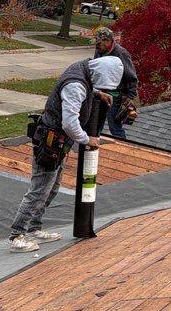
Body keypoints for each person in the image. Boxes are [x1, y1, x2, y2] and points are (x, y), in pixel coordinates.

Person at [9, 55, 123, 253]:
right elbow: (69, 123)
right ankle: (17, 236)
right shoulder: (75, 85)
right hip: (50, 143)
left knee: (52, 188)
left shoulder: (83, 69)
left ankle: (34, 228)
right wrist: (87, 139)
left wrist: (97, 93)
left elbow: (85, 86)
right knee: (39, 190)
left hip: (57, 143)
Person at [93, 26, 139, 140]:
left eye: (99, 43)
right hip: (100, 93)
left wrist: (131, 96)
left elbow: (131, 76)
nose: (96, 46)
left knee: (114, 127)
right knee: (95, 124)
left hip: (115, 96)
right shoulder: (99, 51)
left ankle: (123, 145)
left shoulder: (121, 53)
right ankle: (93, 145)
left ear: (108, 41)